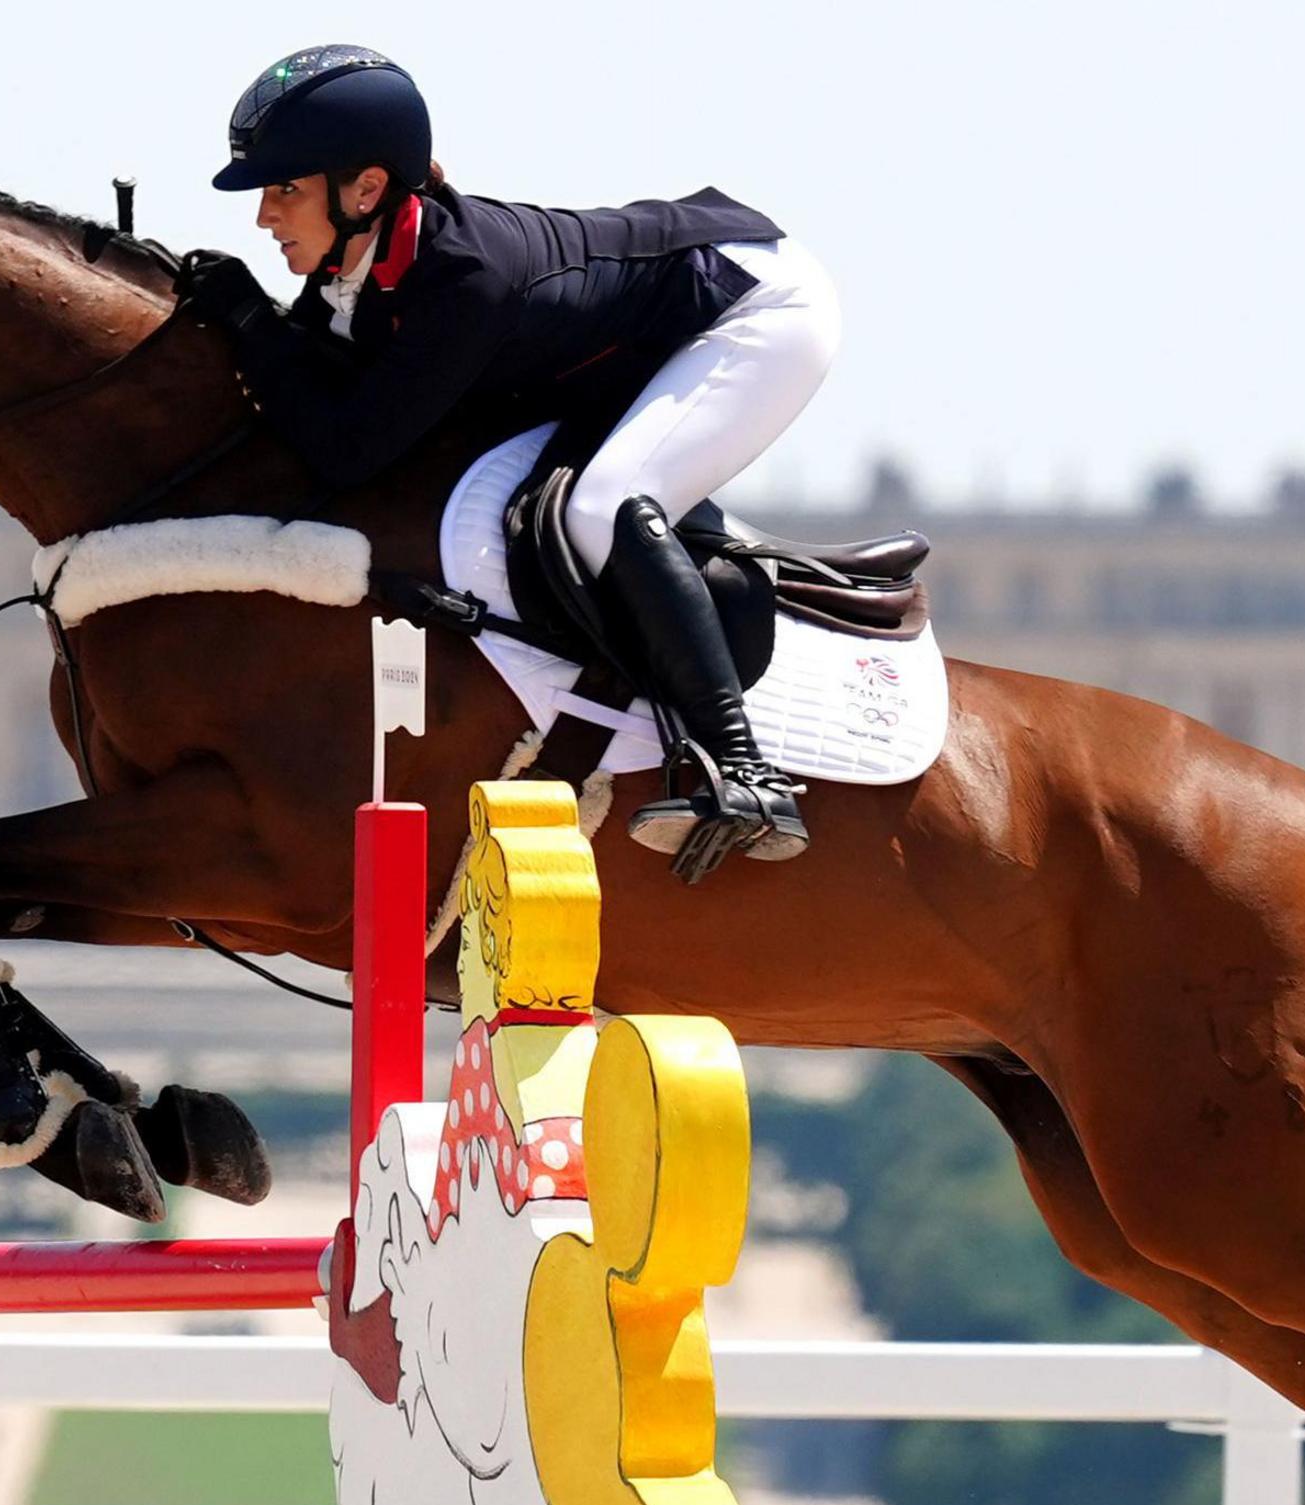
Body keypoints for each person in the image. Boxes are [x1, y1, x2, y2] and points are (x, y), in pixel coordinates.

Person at [180, 44, 838, 883]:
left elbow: (347, 450)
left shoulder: (464, 281)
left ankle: (743, 773)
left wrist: (249, 318)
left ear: (368, 191)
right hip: (619, 351)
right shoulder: (364, 266)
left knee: (601, 510)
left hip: (753, 309)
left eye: (285, 192)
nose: (266, 219)